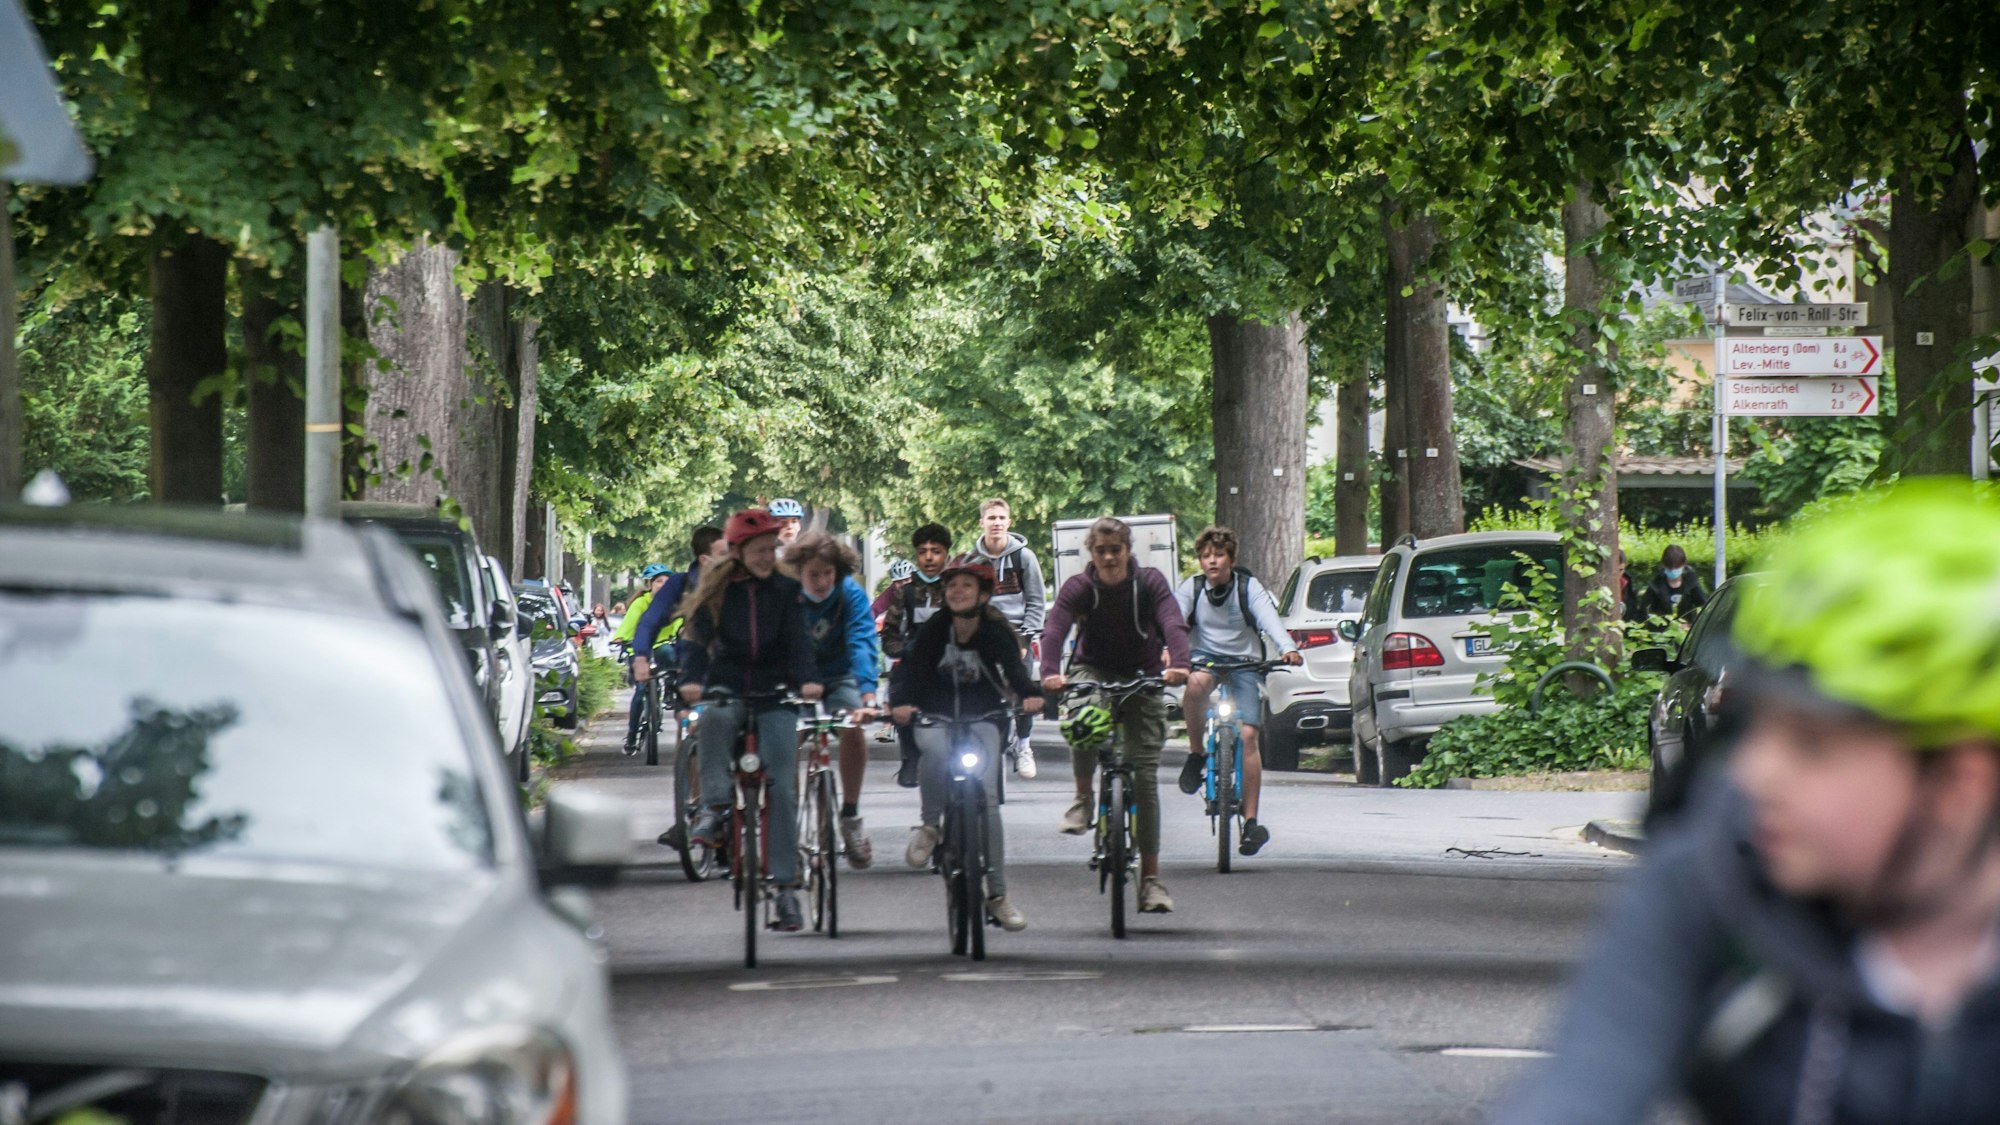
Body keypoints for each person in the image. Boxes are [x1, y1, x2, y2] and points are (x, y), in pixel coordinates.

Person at [1492, 480, 2000, 1124]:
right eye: (1758, 725)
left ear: (1961, 786)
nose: (1753, 773)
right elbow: (1579, 1091)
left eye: (1812, 745)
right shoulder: (1714, 876)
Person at [672, 508, 822, 933]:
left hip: (775, 694)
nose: (764, 556)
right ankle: (715, 807)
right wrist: (691, 680)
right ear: (737, 552)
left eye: (769, 549)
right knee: (715, 718)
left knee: (782, 786)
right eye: (756, 550)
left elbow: (799, 644)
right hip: (728, 687)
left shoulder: (786, 591)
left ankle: (786, 888)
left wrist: (809, 679)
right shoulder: (717, 591)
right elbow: (698, 643)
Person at [1040, 517, 1191, 913]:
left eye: (1116, 550)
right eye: (1101, 550)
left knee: (1144, 777)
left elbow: (1173, 622)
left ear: (1128, 550)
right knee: (1085, 718)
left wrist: (1179, 663)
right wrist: (1051, 673)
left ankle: (1153, 881)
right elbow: (1055, 628)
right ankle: (1083, 799)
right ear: (1091, 552)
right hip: (1094, 669)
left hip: (1143, 674)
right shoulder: (1080, 588)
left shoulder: (1150, 583)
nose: (1108, 558)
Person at [889, 559, 1043, 932]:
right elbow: (912, 670)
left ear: (984, 594)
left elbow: (1015, 670)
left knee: (988, 798)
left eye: (967, 586)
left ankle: (999, 895)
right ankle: (929, 826)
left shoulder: (996, 632)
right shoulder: (934, 630)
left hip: (985, 718)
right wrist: (902, 705)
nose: (957, 592)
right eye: (952, 586)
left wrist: (1031, 696)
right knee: (936, 752)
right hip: (935, 716)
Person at [1172, 526, 1303, 858]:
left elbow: (1268, 619)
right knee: (1195, 684)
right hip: (1205, 661)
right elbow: (1171, 622)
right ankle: (1196, 753)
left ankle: (1250, 822)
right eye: (1205, 556)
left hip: (1245, 663)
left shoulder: (1248, 587)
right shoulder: (1193, 587)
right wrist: (1166, 652)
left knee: (1247, 736)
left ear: (1230, 558)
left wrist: (1286, 647)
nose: (1211, 561)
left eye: (1218, 555)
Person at [784, 531, 881, 869]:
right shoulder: (786, 595)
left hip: (840, 676)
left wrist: (867, 693)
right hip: (795, 677)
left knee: (852, 729)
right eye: (814, 574)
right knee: (785, 739)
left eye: (828, 573)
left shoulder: (849, 594)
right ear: (799, 572)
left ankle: (850, 816)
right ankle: (787, 822)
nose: (822, 580)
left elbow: (862, 640)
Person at [970, 498, 1048, 778]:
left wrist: (1025, 640)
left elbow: (1037, 602)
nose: (996, 523)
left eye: (1001, 518)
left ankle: (1023, 744)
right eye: (991, 518)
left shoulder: (1023, 558)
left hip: (1017, 633)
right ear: (982, 522)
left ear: (1009, 522)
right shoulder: (973, 560)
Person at [881, 524, 955, 788]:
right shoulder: (906, 593)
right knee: (898, 689)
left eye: (936, 551)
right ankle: (910, 754)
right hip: (917, 669)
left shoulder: (958, 587)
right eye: (922, 552)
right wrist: (906, 650)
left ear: (947, 553)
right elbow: (889, 636)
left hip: (955, 664)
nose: (929, 558)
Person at [631, 525, 727, 687]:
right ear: (704, 560)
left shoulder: (742, 582)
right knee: (688, 707)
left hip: (739, 670)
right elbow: (650, 620)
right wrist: (641, 657)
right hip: (695, 668)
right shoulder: (681, 585)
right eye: (724, 554)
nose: (731, 559)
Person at [612, 563, 672, 755]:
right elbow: (629, 623)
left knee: (671, 656)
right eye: (658, 582)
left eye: (666, 582)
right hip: (639, 649)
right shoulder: (640, 603)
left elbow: (681, 619)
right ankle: (632, 735)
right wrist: (621, 638)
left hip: (661, 645)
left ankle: (670, 690)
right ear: (650, 585)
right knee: (639, 690)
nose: (663, 585)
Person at [1642, 543, 1709, 621]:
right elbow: (1644, 610)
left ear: (1683, 565)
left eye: (1676, 568)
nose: (1673, 571)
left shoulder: (1691, 583)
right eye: (1669, 568)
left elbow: (1704, 607)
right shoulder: (1656, 585)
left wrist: (1691, 625)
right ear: (1664, 565)